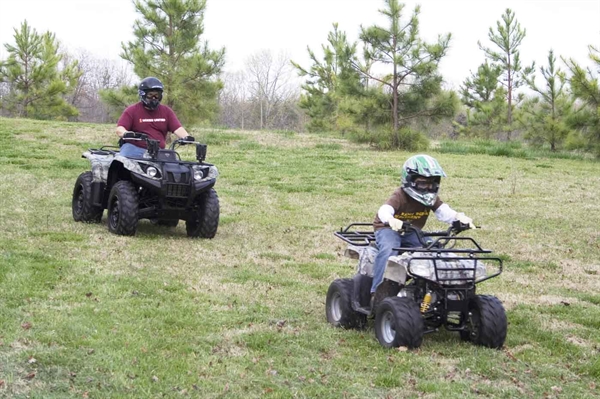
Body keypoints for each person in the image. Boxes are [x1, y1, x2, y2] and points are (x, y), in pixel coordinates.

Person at [370, 154, 475, 303]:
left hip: (412, 231)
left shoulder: (431, 198)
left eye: (432, 184)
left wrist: (458, 217)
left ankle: (436, 288)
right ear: (410, 180)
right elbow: (384, 210)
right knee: (389, 248)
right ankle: (377, 292)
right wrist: (391, 220)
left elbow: (443, 211)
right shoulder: (400, 195)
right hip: (388, 229)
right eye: (423, 184)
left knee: (433, 249)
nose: (428, 188)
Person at [116, 77, 194, 158]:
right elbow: (120, 129)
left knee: (174, 164)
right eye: (150, 95)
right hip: (134, 148)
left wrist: (186, 137)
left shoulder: (166, 111)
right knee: (123, 160)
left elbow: (177, 128)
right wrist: (126, 133)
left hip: (158, 151)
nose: (154, 98)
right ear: (143, 94)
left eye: (157, 95)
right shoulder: (132, 110)